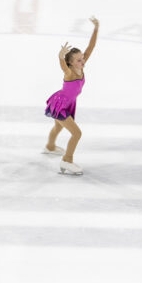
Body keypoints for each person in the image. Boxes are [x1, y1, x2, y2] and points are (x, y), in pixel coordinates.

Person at [43, 16, 99, 175]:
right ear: (71, 63)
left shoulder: (80, 66)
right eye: (79, 60)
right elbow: (63, 66)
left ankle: (50, 147)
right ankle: (67, 160)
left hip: (67, 103)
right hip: (60, 104)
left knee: (57, 127)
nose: (83, 61)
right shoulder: (69, 73)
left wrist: (96, 28)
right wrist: (60, 56)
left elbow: (91, 47)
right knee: (77, 133)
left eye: (82, 58)